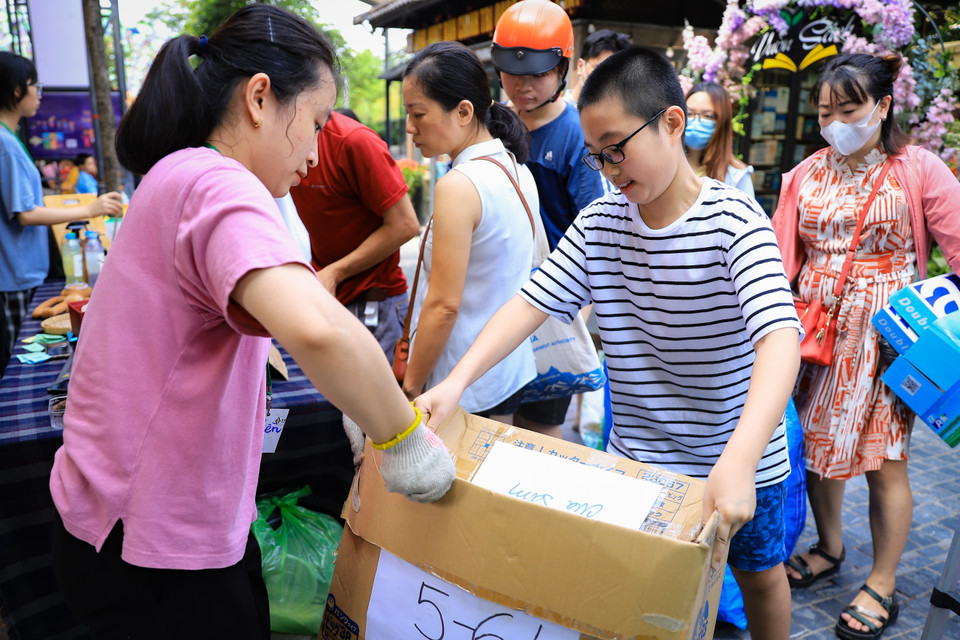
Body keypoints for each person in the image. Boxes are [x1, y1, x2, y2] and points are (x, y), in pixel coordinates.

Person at [48, 7, 455, 638]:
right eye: (316, 123)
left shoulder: (179, 175)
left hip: (123, 527)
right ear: (260, 97)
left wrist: (363, 396)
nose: (317, 154)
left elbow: (307, 316)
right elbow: (316, 329)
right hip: (153, 547)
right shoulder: (219, 185)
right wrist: (400, 438)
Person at [416, 47, 802, 640]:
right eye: (597, 156)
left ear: (673, 123)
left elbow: (780, 342)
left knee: (759, 577)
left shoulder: (734, 223)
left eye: (618, 148)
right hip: (640, 459)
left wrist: (741, 460)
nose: (610, 169)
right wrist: (454, 383)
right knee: (646, 582)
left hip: (740, 457)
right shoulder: (602, 223)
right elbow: (528, 303)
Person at [773, 53, 960, 640]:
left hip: (889, 340)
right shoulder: (804, 173)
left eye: (848, 108)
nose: (834, 121)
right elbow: (781, 261)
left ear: (882, 107)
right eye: (825, 110)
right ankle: (829, 546)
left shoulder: (920, 168)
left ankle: (881, 580)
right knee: (814, 448)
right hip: (816, 333)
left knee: (885, 460)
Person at [400, 40, 537, 423]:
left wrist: (411, 386)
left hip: (458, 384)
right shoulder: (517, 169)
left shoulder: (460, 185)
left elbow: (444, 306)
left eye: (419, 114)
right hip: (504, 371)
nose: (411, 128)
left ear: (463, 112)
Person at [492, 0, 605, 437]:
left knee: (541, 433)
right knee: (492, 433)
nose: (523, 85)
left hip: (549, 305)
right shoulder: (492, 125)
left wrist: (578, 311)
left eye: (537, 73)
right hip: (494, 301)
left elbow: (590, 228)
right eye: (512, 72)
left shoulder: (576, 135)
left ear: (562, 70)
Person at [0, 52, 122, 373]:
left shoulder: (9, 139)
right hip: (14, 274)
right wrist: (90, 208)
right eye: (34, 86)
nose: (38, 94)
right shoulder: (5, 142)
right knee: (16, 364)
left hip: (22, 272)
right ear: (16, 91)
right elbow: (25, 213)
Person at [288, 108, 419, 362]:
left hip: (376, 305)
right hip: (327, 299)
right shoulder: (277, 142)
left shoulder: (353, 141)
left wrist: (335, 272)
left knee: (378, 401)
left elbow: (405, 225)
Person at [685, 81, 755, 198]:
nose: (696, 122)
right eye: (689, 114)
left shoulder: (736, 176)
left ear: (722, 122)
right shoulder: (665, 164)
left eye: (707, 116)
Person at [566, 28, 632, 106]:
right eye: (598, 68)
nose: (604, 77)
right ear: (580, 66)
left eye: (613, 72)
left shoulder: (619, 114)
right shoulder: (558, 113)